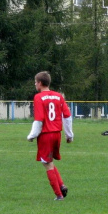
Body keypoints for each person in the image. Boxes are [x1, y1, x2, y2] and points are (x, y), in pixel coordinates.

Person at [27, 71, 74, 201]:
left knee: (46, 163)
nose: (35, 84)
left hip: (46, 135)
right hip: (57, 134)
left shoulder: (38, 97)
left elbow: (39, 119)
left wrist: (32, 135)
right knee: (49, 162)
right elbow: (67, 117)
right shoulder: (59, 96)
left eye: (36, 82)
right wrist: (69, 135)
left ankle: (59, 195)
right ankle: (62, 185)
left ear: (40, 83)